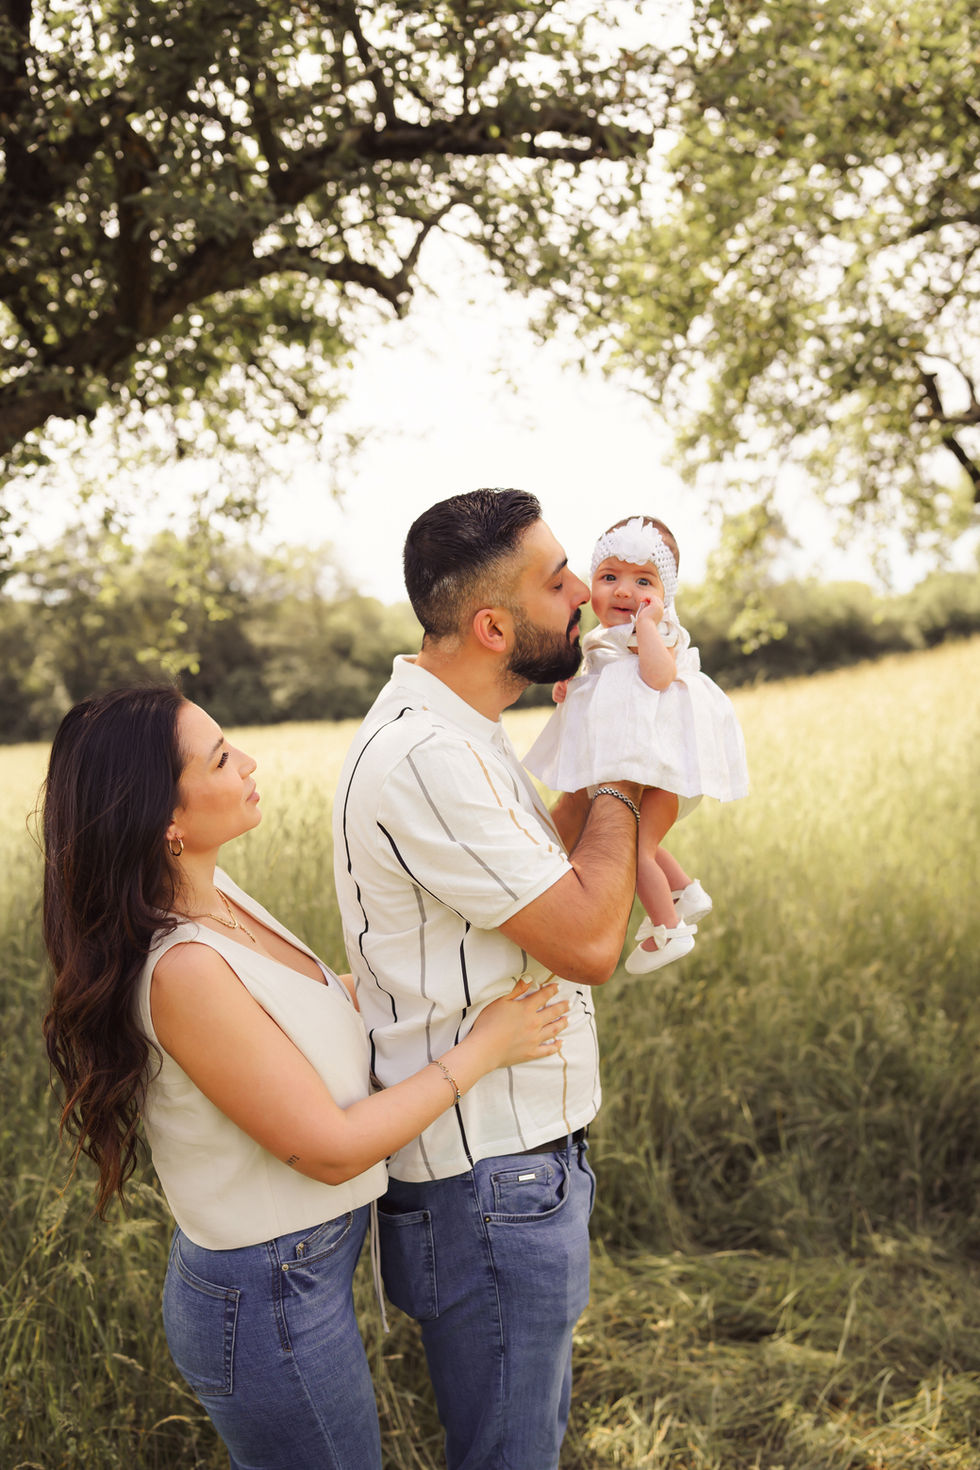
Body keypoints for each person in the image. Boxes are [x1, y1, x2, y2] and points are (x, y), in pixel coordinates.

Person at [41, 684, 570, 1470]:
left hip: (297, 1276)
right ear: (167, 823)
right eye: (221, 758)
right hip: (263, 1300)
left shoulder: (215, 896)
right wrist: (482, 1051)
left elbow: (319, 1010)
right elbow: (329, 1149)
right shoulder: (183, 967)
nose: (248, 761)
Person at [332, 488, 643, 1470]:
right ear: (492, 625)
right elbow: (587, 939)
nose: (583, 597)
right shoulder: (428, 755)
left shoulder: (458, 728)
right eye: (558, 583)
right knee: (510, 1455)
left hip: (504, 1173)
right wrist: (627, 764)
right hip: (490, 1184)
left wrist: (595, 752)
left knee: (520, 1438)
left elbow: (540, 883)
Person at [524, 513, 749, 974]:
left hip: (661, 771)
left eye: (643, 581)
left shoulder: (655, 635)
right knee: (642, 837)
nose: (624, 591)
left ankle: (668, 929)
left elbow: (658, 676)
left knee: (636, 851)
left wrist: (648, 626)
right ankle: (686, 892)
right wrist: (568, 685)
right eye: (610, 577)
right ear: (592, 584)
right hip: (640, 771)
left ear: (665, 598)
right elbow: (600, 685)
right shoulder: (601, 641)